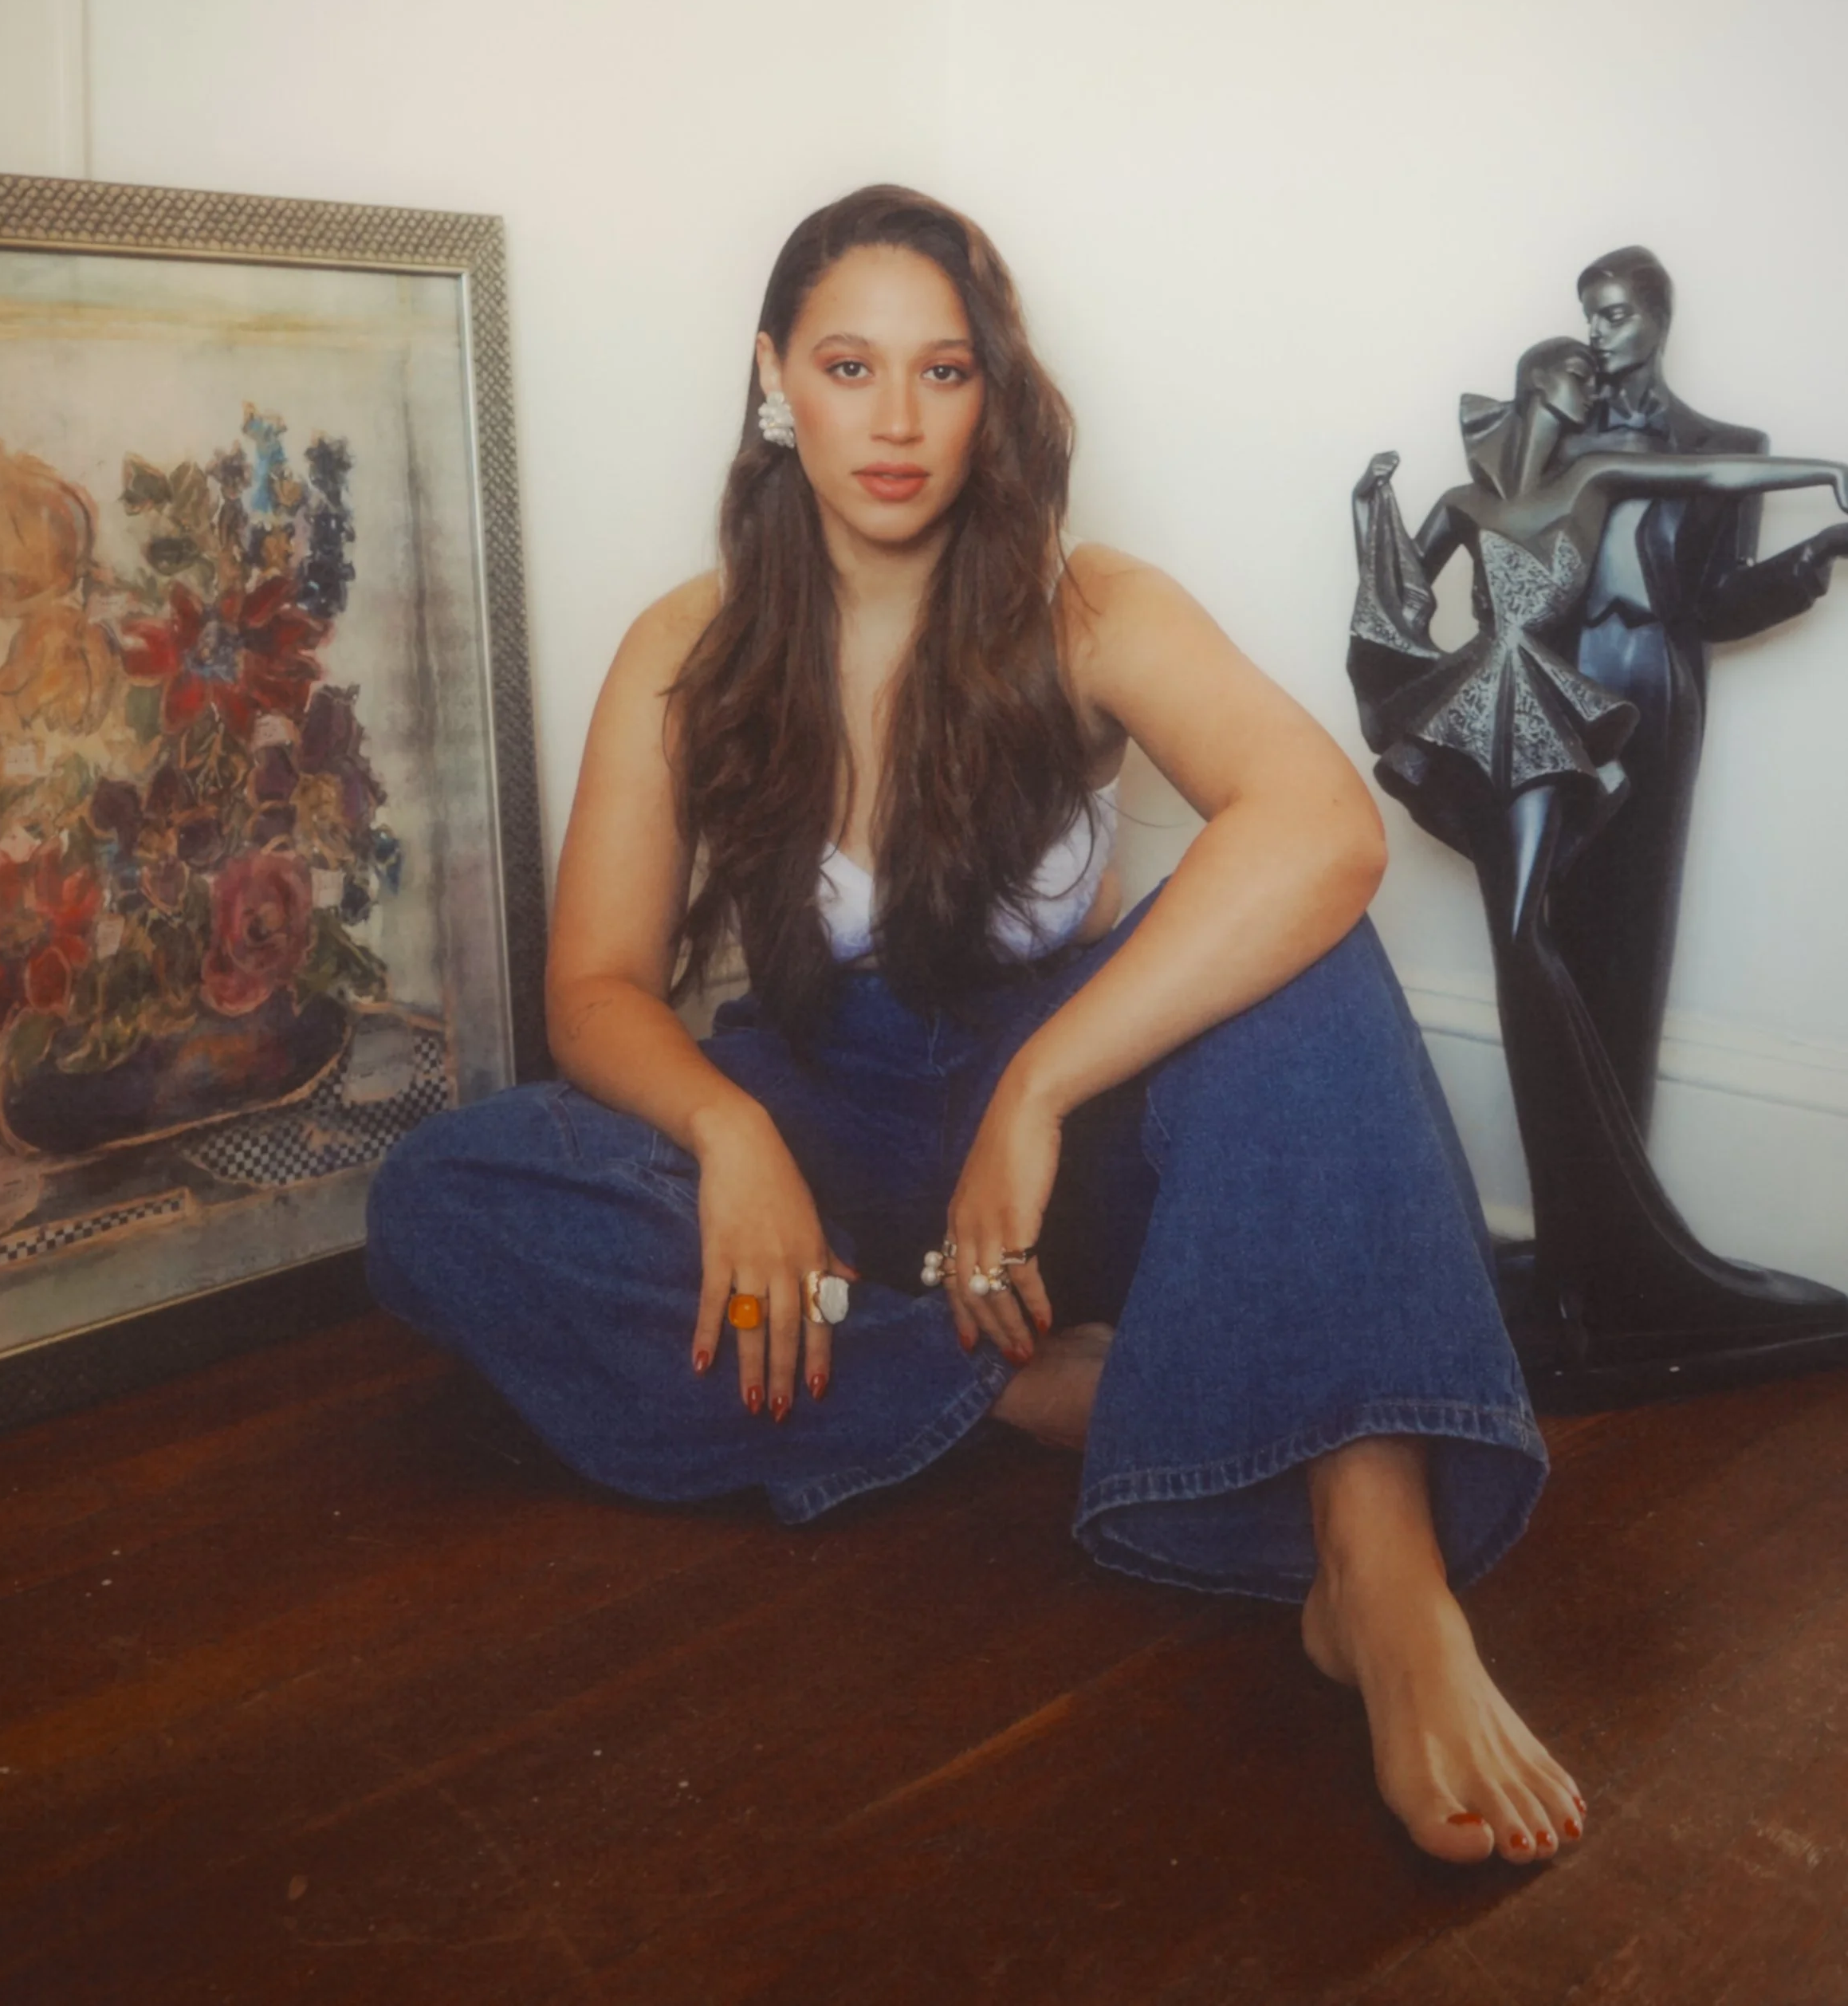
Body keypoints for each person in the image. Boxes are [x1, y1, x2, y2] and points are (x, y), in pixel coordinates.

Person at [371, 184, 1583, 1869]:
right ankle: (1025, 1390)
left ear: (989, 394)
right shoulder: (686, 646)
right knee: (445, 1198)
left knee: (1305, 955)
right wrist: (731, 1136)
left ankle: (1379, 1584)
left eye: (941, 373)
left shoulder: (1090, 609)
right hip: (824, 1147)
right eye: (847, 367)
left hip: (1054, 1161)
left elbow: (1323, 828)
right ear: (772, 378)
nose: (894, 420)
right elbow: (593, 989)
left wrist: (1036, 1090)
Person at [1351, 336, 1848, 1377]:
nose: (1590, 387)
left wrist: (1823, 474)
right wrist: (1370, 515)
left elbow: (1714, 474)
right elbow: (1398, 600)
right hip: (1479, 709)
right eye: (1573, 374)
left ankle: (1604, 1222)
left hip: (1547, 713)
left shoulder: (1594, 477)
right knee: (1521, 940)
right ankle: (1580, 1228)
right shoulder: (1464, 502)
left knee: (1530, 936)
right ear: (1538, 385)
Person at [1554, 246, 1848, 1137]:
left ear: (1659, 319)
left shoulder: (1729, 450)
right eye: (1589, 313)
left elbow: (1717, 606)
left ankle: (1621, 1183)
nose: (1596, 332)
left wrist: (1819, 553)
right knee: (1548, 917)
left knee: (1638, 922)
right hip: (1555, 692)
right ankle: (1560, 1176)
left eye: (1614, 314)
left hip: (1657, 688)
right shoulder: (1555, 438)